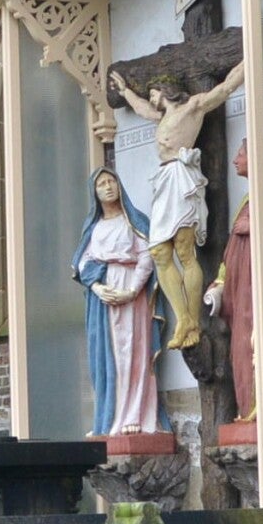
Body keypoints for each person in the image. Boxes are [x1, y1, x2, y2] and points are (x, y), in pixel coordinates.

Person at [107, 62, 245, 349]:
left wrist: (249, 58)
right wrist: (124, 91)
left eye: (153, 92)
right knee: (159, 251)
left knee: (184, 251)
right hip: (164, 180)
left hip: (182, 179)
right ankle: (183, 319)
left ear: (165, 89)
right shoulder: (160, 116)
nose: (151, 98)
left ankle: (192, 320)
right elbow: (141, 108)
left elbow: (225, 88)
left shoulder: (192, 107)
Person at [73, 168, 166, 436]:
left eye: (111, 181)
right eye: (101, 184)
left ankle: (135, 414)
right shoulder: (93, 228)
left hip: (130, 291)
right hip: (103, 298)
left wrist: (132, 290)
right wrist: (97, 287)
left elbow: (147, 256)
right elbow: (83, 262)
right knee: (107, 356)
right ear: (95, 193)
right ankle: (109, 418)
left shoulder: (134, 222)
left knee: (133, 352)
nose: (108, 187)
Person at [203, 139, 255, 424]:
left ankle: (256, 409)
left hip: (253, 290)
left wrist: (251, 226)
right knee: (239, 349)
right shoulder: (247, 201)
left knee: (253, 344)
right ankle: (246, 410)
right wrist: (221, 281)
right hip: (238, 290)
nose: (235, 160)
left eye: (241, 154)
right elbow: (231, 251)